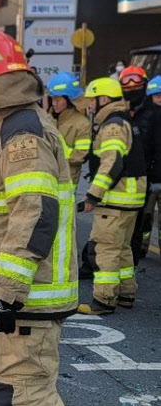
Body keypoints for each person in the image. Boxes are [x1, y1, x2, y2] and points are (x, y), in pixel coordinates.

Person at [0, 30, 77, 405]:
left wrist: (8, 292)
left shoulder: (20, 130)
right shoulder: (1, 128)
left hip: (22, 301)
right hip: (1, 296)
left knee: (24, 395)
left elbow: (35, 211)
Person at [77, 78, 146, 315]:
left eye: (92, 100)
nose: (90, 106)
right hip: (131, 198)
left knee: (105, 249)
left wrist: (93, 195)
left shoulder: (111, 125)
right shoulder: (125, 120)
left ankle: (104, 300)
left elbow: (111, 163)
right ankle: (127, 294)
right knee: (123, 247)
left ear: (103, 99)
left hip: (115, 199)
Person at [119, 66, 153, 264]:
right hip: (124, 178)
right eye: (127, 83)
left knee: (142, 219)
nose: (132, 87)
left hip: (147, 176)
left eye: (136, 82)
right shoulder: (123, 113)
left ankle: (136, 255)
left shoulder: (153, 113)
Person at [46, 72, 92, 185]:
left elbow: (80, 155)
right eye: (52, 99)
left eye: (57, 99)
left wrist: (56, 149)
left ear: (68, 100)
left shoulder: (82, 124)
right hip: (46, 179)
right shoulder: (47, 119)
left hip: (67, 182)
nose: (54, 103)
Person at [139, 76, 161, 256]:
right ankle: (142, 246)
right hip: (150, 177)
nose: (160, 98)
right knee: (145, 216)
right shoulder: (146, 117)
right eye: (157, 95)